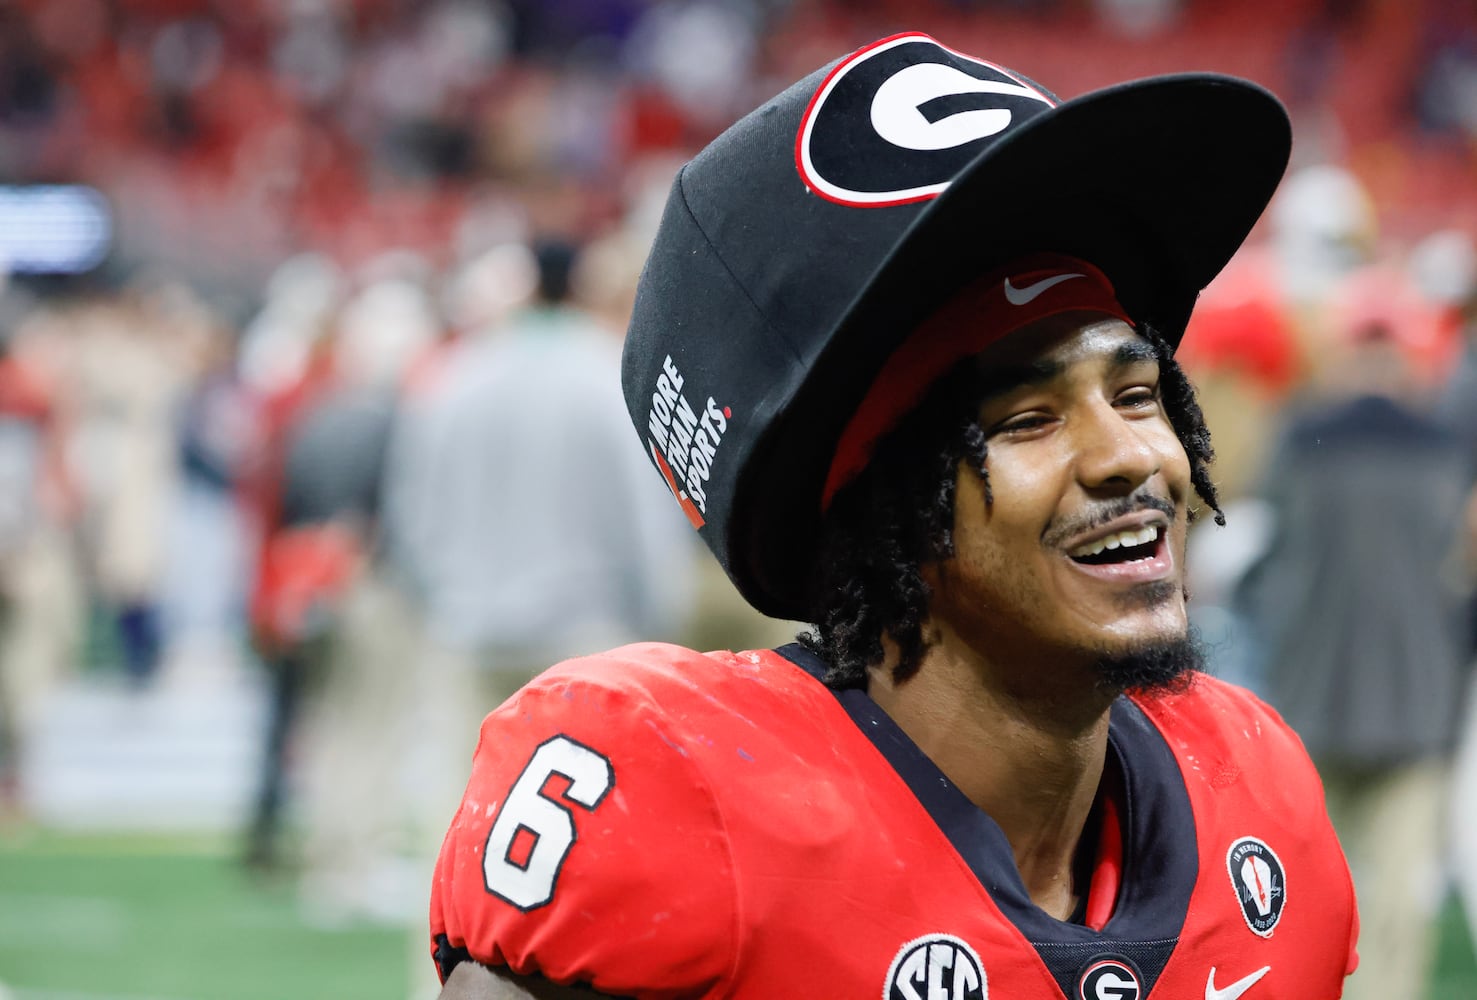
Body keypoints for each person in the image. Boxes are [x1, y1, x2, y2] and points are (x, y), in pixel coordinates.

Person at [427, 33, 1359, 999]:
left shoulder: (1250, 790)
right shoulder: (689, 814)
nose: (1132, 456)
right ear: (882, 512)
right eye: (1027, 417)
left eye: (1134, 393)